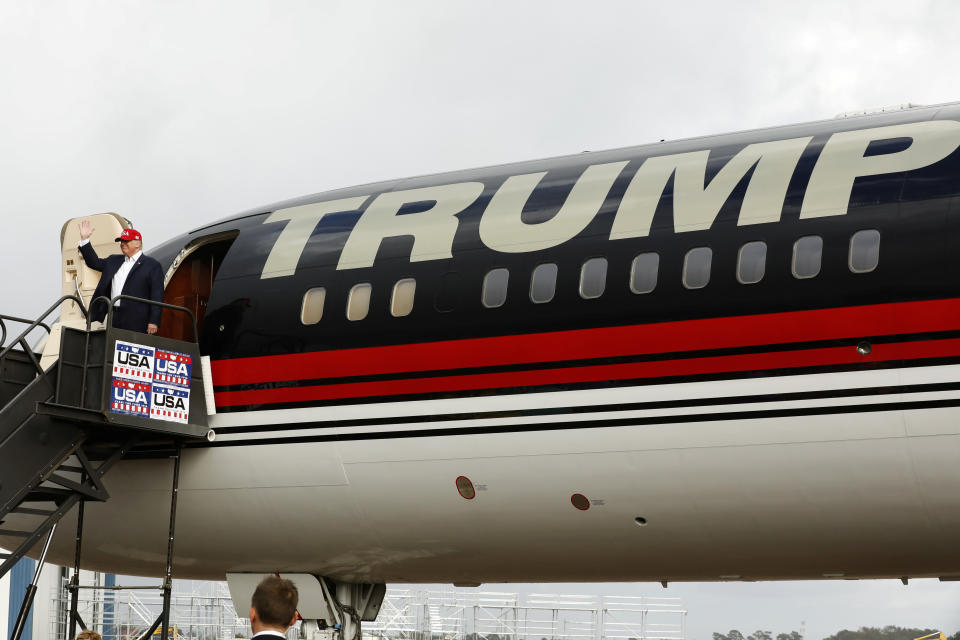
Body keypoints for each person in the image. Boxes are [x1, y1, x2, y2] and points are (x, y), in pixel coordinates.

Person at [78, 219, 164, 334]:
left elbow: (157, 295)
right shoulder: (114, 260)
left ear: (137, 244)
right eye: (121, 241)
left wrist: (154, 321)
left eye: (126, 241)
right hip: (115, 315)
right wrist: (85, 240)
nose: (122, 244)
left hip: (137, 319)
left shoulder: (152, 265)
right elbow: (94, 263)